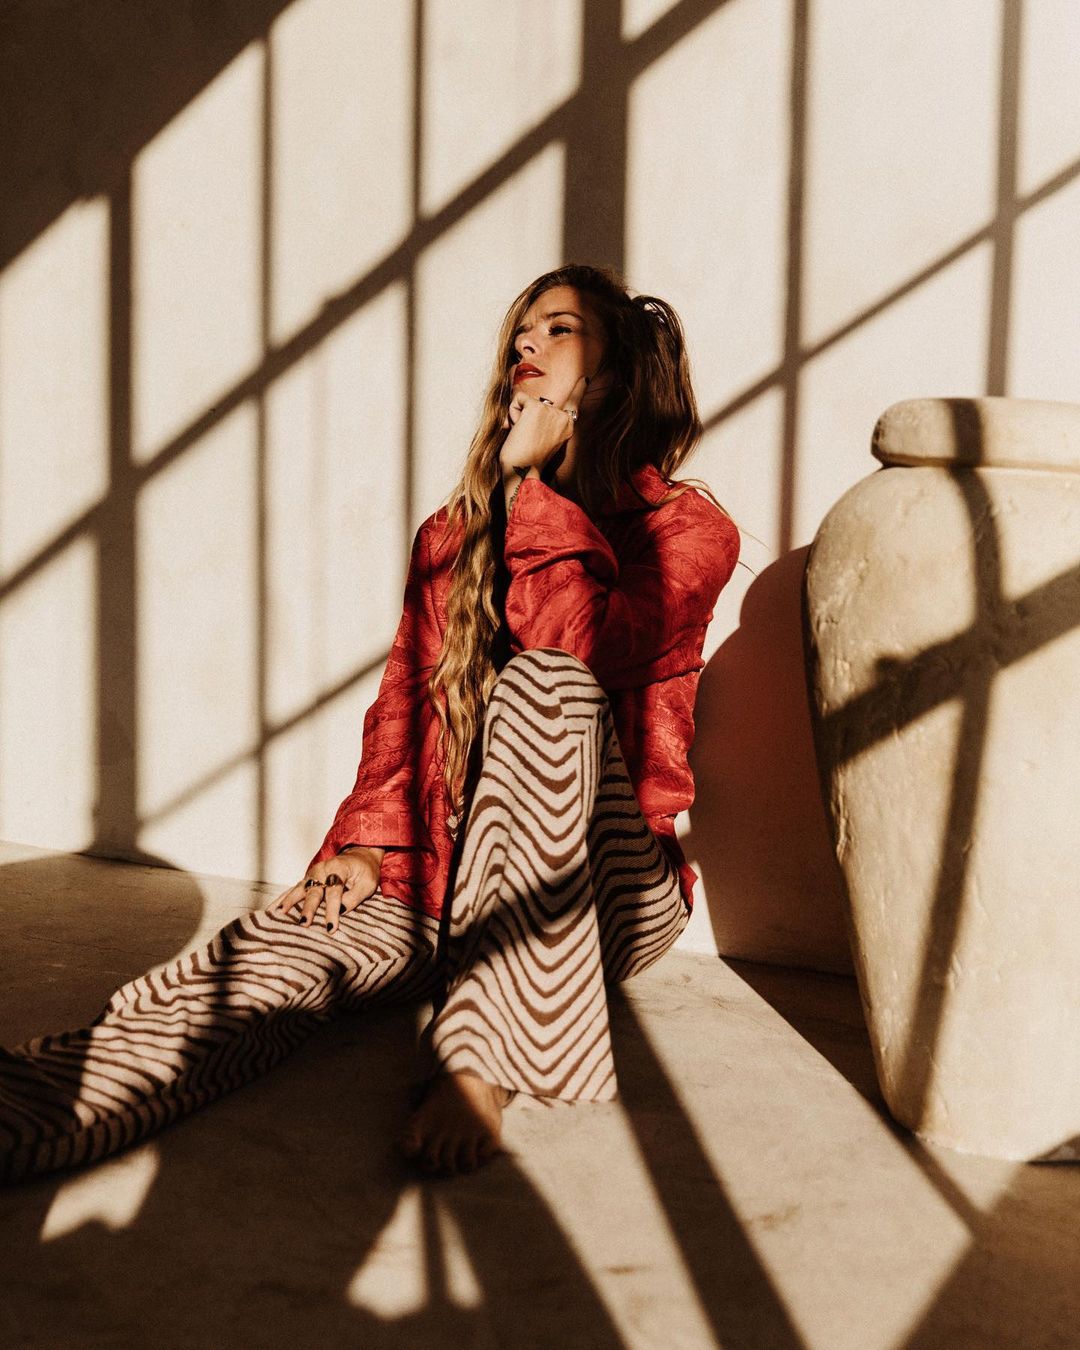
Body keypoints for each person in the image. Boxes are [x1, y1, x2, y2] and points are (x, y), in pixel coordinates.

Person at [0, 264, 739, 1185]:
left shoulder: (685, 530)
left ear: (617, 372)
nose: (525, 342)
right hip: (439, 877)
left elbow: (577, 649)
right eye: (522, 329)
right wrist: (362, 846)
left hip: (606, 890)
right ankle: (35, 1103)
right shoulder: (451, 536)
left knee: (544, 684)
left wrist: (533, 494)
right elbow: (404, 710)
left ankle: (480, 1060)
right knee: (270, 965)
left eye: (558, 329)